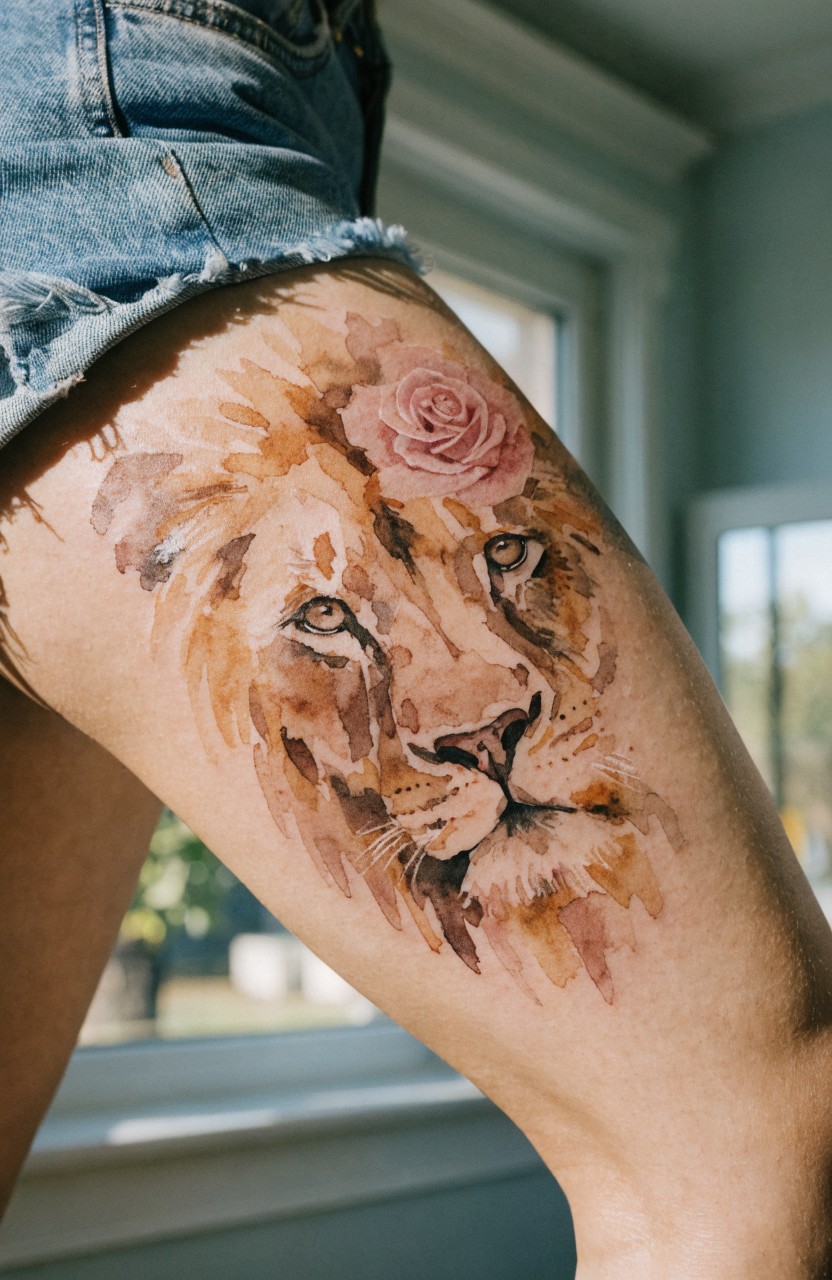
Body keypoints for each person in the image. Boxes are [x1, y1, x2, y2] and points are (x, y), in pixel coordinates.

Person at [1, 2, 831, 1275]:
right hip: (118, 107)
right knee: (758, 1137)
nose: (476, 697)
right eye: (329, 620)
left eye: (506, 570)